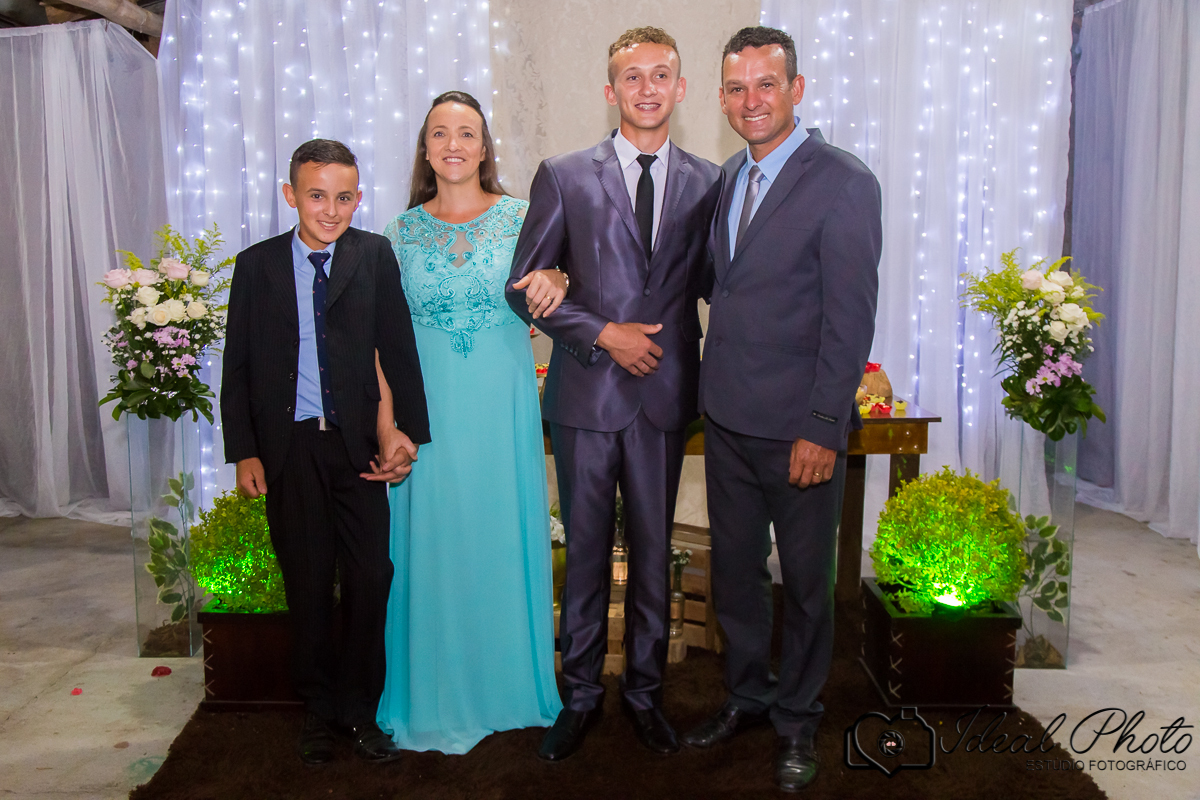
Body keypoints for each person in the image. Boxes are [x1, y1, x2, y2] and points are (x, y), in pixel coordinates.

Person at [506, 27, 722, 761]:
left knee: (656, 553)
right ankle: (579, 697)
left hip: (666, 397)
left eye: (661, 75)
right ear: (611, 90)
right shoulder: (564, 175)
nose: (647, 88)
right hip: (587, 398)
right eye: (633, 76)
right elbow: (524, 289)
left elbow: (720, 286)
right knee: (588, 553)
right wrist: (604, 333)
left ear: (681, 88)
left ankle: (645, 695)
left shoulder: (710, 182)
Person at [680, 27, 882, 793]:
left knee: (803, 584)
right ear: (722, 97)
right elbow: (721, 285)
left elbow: (849, 320)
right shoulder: (731, 174)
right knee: (736, 576)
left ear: (797, 89)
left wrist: (824, 427)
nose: (751, 101)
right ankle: (748, 695)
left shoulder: (845, 181)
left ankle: (798, 718)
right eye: (737, 88)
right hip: (728, 420)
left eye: (767, 84)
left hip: (800, 430)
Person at [221, 139, 430, 766]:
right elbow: (238, 365)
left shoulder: (374, 255)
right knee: (308, 582)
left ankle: (360, 710)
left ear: (358, 198)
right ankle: (317, 709)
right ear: (291, 195)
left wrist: (406, 433)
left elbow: (397, 346)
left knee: (370, 577)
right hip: (289, 450)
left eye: (343, 197)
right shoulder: (256, 266)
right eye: (317, 196)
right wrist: (245, 451)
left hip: (358, 447)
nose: (330, 210)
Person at [372, 90, 568, 754]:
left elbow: (564, 281)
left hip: (500, 405)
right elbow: (380, 341)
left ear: (484, 147)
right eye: (439, 133)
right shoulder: (398, 233)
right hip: (425, 410)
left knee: (497, 534)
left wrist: (561, 280)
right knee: (433, 544)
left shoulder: (524, 218)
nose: (453, 144)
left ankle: (509, 689)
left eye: (466, 133)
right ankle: (431, 693)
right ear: (425, 150)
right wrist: (388, 424)